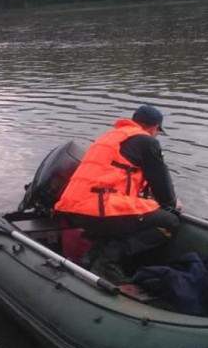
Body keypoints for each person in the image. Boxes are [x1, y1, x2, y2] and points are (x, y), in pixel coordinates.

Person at [54, 105, 182, 284]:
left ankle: (91, 259)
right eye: (157, 131)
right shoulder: (147, 141)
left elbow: (119, 175)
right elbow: (162, 184)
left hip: (73, 208)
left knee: (127, 214)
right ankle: (107, 262)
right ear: (154, 128)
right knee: (170, 221)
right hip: (98, 209)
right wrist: (172, 204)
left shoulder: (110, 137)